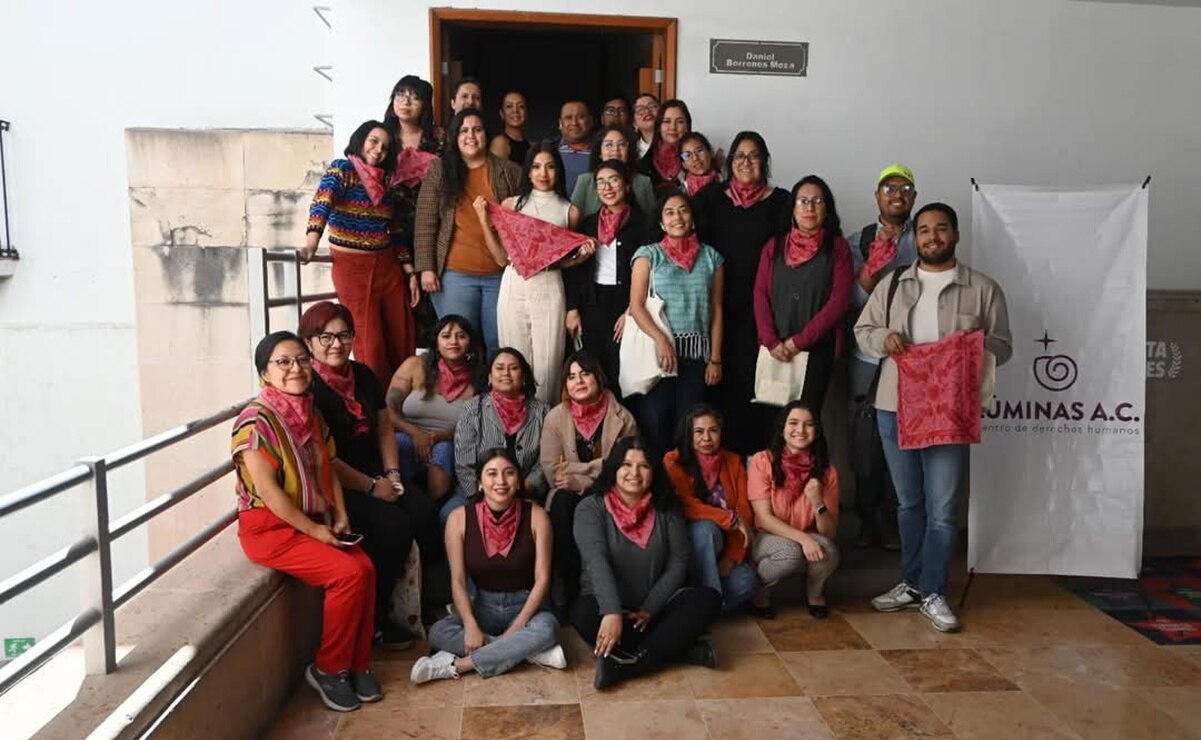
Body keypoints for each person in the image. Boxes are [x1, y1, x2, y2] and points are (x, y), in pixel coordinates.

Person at [855, 202, 1012, 633]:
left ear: (956, 235)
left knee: (943, 509)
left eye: (941, 229)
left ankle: (934, 590)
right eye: (924, 230)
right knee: (909, 503)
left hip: (950, 409)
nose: (932, 237)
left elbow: (1004, 344)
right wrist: (884, 338)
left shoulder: (982, 289)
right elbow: (862, 331)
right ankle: (912, 582)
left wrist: (970, 348)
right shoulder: (892, 284)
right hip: (895, 404)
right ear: (915, 237)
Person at [232, 331, 379, 712]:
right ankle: (329, 669)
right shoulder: (255, 420)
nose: (295, 368)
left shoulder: (308, 410)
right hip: (269, 529)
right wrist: (315, 530)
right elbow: (270, 493)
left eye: (300, 360)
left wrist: (340, 514)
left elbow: (327, 466)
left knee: (365, 566)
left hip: (314, 516)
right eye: (283, 362)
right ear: (265, 371)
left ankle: (356, 664)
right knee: (347, 574)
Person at [302, 302, 441, 649]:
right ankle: (377, 619)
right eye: (326, 336)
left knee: (425, 511)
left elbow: (382, 429)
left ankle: (422, 604)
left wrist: (392, 474)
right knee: (392, 526)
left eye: (344, 335)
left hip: (378, 472)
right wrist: (370, 487)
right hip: (339, 485)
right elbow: (325, 458)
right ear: (309, 343)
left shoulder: (362, 374)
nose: (336, 344)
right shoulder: (309, 390)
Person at [570, 437, 722, 690]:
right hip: (608, 605)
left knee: (708, 599)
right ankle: (680, 651)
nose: (634, 473)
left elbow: (678, 562)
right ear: (614, 469)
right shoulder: (590, 508)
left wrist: (651, 608)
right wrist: (612, 611)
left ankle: (628, 665)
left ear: (654, 472)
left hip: (656, 608)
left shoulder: (667, 507)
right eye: (626, 465)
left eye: (644, 466)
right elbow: (596, 561)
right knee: (582, 616)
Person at [410, 448, 564, 683]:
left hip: (527, 606)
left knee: (549, 628)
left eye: (509, 473)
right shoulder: (458, 518)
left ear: (519, 480)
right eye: (492, 474)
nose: (500, 481)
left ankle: (457, 666)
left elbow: (543, 579)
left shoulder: (537, 516)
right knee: (438, 632)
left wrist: (518, 626)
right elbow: (458, 580)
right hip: (483, 606)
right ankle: (529, 652)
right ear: (480, 482)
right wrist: (471, 624)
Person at [693, 131, 793, 456]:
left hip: (765, 311)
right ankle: (726, 473)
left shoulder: (782, 201)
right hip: (717, 308)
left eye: (754, 156)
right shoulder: (711, 198)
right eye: (740, 156)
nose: (746, 162)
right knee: (719, 390)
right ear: (730, 162)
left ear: (765, 161)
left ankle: (759, 471)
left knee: (760, 390)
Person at [477, 141, 594, 404]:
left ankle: (543, 436)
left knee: (548, 368)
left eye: (551, 167)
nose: (543, 173)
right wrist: (485, 221)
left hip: (550, 289)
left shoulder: (569, 211)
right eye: (537, 166)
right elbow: (500, 259)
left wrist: (578, 259)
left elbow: (557, 263)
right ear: (528, 172)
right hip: (513, 287)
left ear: (559, 171)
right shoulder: (511, 205)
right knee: (513, 363)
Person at [303, 120, 414, 387]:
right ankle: (377, 406)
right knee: (368, 340)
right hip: (352, 267)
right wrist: (311, 242)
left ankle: (402, 401)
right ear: (361, 140)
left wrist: (409, 272)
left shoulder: (387, 183)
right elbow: (322, 202)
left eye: (386, 147)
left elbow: (395, 230)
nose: (379, 150)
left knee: (401, 333)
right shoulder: (343, 169)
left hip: (387, 266)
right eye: (373, 141)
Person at [845, 164, 919, 550]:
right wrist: (870, 271)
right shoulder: (858, 240)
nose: (897, 194)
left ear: (913, 197)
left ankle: (898, 524)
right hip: (869, 357)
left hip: (915, 357)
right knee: (866, 439)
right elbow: (850, 303)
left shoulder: (924, 236)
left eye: (905, 188)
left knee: (907, 440)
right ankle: (866, 521)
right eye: (889, 188)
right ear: (877, 196)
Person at [414, 107, 522, 352]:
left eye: (477, 129)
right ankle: (464, 392)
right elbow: (425, 221)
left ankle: (495, 392)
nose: (471, 135)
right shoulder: (439, 170)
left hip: (500, 275)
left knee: (500, 345)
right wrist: (426, 268)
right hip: (454, 276)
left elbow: (521, 224)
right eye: (464, 130)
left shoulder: (510, 172)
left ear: (487, 134)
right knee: (460, 347)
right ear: (454, 136)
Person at [540, 351, 639, 609]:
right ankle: (565, 584)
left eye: (585, 374)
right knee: (563, 502)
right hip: (565, 495)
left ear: (599, 376)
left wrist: (580, 478)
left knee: (590, 503)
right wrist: (598, 467)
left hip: (612, 493)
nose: (578, 381)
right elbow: (553, 471)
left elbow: (625, 470)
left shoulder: (623, 418)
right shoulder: (555, 417)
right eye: (571, 377)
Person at [627, 192, 725, 454]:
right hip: (656, 355)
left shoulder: (712, 258)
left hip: (695, 357)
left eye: (683, 210)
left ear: (692, 218)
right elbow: (636, 306)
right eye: (669, 212)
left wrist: (715, 358)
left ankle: (682, 489)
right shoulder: (648, 255)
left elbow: (716, 309)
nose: (677, 217)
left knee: (687, 428)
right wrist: (661, 340)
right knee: (655, 423)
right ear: (661, 223)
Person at [752, 175, 854, 413]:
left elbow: (839, 302)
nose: (810, 207)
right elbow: (760, 294)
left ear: (826, 209)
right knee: (774, 423)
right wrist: (771, 341)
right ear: (792, 209)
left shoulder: (838, 248)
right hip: (774, 349)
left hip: (817, 349)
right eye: (803, 201)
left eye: (817, 201)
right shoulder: (774, 246)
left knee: (807, 421)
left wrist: (799, 342)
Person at [746, 401, 841, 619]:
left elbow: (829, 533)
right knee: (791, 551)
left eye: (808, 424)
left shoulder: (827, 472)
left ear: (816, 431)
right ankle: (760, 589)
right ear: (782, 429)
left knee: (829, 551)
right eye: (794, 423)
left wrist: (818, 502)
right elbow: (764, 518)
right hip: (765, 536)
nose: (800, 430)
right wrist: (804, 540)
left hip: (807, 534)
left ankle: (814, 593)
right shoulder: (763, 461)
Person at [662, 405, 757, 612]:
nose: (706, 438)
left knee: (747, 581)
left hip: (722, 548)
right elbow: (684, 505)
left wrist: (731, 557)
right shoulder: (673, 461)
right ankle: (706, 607)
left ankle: (699, 608)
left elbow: (744, 511)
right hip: (687, 546)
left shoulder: (733, 461)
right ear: (689, 434)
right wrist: (728, 518)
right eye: (699, 431)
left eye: (713, 430)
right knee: (705, 529)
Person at [567, 160, 649, 391]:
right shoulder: (588, 224)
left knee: (621, 371)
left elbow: (650, 275)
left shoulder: (642, 225)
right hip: (592, 303)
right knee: (593, 370)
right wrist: (572, 309)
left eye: (613, 180)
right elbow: (576, 270)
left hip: (626, 304)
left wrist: (631, 311)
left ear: (627, 184)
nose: (607, 187)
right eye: (600, 182)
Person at [444, 348, 550, 523]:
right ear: (490, 378)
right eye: (499, 368)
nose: (506, 373)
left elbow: (544, 461)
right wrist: (485, 495)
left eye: (513, 368)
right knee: (448, 515)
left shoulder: (543, 411)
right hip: (477, 492)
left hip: (525, 492)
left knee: (538, 519)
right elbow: (464, 462)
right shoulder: (472, 409)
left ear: (523, 377)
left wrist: (522, 489)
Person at [386, 314, 483, 502]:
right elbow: (388, 410)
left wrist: (436, 437)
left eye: (461, 336)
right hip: (408, 434)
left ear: (470, 342)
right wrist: (415, 433)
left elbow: (479, 427)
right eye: (446, 336)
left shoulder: (479, 376)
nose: (453, 342)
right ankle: (401, 500)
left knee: (443, 451)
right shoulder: (414, 365)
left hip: (451, 440)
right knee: (399, 442)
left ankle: (433, 509)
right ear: (436, 341)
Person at [382, 75, 440, 328]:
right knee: (393, 302)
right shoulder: (381, 138)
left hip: (428, 228)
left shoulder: (438, 139)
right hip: (387, 229)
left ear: (425, 106)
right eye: (400, 94)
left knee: (428, 301)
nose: (406, 101)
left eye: (415, 97)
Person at [569, 123, 656, 218]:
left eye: (622, 144)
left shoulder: (643, 182)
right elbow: (573, 222)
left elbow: (652, 221)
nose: (615, 149)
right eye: (609, 145)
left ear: (629, 151)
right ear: (599, 152)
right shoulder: (585, 181)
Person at [638, 99, 691, 198]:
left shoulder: (694, 158)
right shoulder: (645, 165)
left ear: (687, 126)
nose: (673, 127)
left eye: (680, 122)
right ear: (658, 127)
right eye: (667, 121)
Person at [555, 100, 594, 196]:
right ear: (560, 123)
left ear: (590, 121)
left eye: (581, 117)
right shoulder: (549, 150)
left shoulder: (603, 151)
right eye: (568, 118)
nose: (574, 123)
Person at [488, 90, 530, 165]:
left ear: (526, 112)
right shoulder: (500, 143)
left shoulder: (530, 146)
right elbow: (496, 175)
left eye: (521, 106)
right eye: (509, 106)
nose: (515, 110)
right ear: (502, 114)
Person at [678, 132, 720, 197]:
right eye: (688, 155)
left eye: (699, 151)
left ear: (710, 152)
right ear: (684, 164)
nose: (695, 158)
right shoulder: (681, 193)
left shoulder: (726, 184)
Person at [632, 94, 659, 158]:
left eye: (652, 106)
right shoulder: (632, 151)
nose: (647, 111)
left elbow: (685, 157)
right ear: (634, 123)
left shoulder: (674, 140)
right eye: (640, 109)